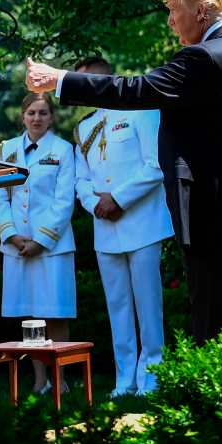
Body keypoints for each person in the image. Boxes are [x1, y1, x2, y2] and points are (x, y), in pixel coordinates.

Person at [27, 0, 222, 343]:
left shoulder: (205, 57)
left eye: (175, 10)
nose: (171, 20)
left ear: (202, 11)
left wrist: (58, 79)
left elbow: (137, 90)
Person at [72, 56, 173, 396]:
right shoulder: (84, 127)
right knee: (117, 306)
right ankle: (124, 377)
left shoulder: (141, 111)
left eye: (86, 82)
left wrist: (117, 199)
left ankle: (153, 373)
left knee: (148, 304)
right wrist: (95, 204)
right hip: (105, 227)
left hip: (141, 223)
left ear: (104, 80)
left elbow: (156, 166)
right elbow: (81, 180)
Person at [0, 93, 76, 394]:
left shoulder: (63, 150)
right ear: (22, 116)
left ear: (51, 117)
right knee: (31, 316)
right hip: (17, 246)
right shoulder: (8, 149)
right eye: (31, 113)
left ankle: (60, 379)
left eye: (42, 113)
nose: (36, 118)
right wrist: (12, 235)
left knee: (56, 312)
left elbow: (64, 200)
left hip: (53, 246)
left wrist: (41, 240)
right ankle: (40, 380)